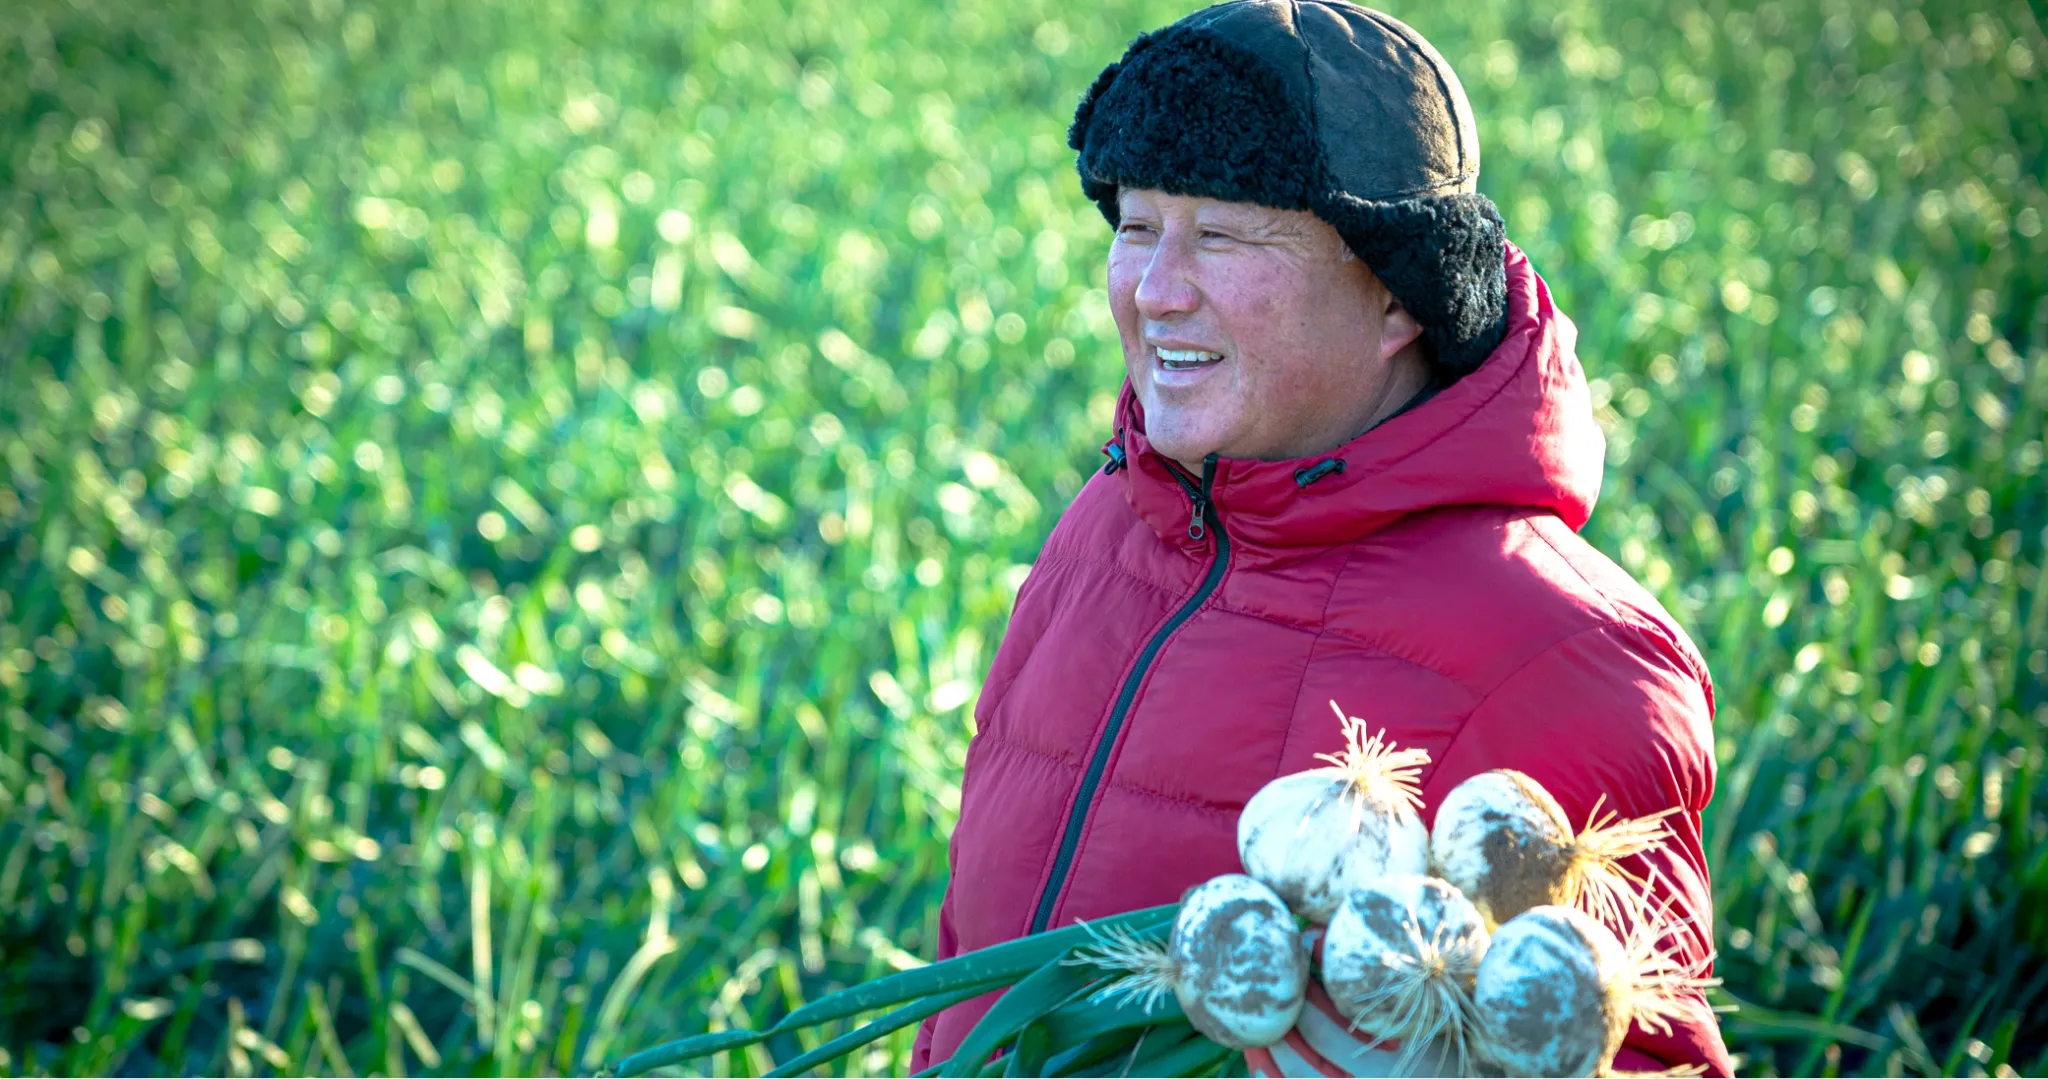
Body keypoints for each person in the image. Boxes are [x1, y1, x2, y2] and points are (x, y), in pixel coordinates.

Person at [912, 1, 1732, 1074]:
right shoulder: (1109, 528)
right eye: (1135, 226)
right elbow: (970, 963)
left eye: (1220, 234)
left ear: (1397, 292)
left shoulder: (1572, 662)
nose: (1154, 290)